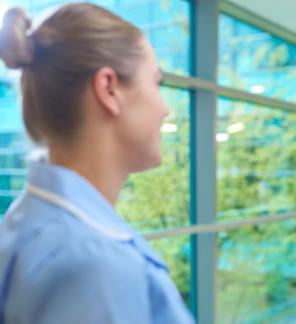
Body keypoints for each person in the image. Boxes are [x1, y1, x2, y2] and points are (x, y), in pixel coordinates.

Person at [0, 4, 195, 323]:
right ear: (108, 89)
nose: (165, 110)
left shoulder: (27, 222)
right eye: (156, 84)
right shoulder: (93, 263)